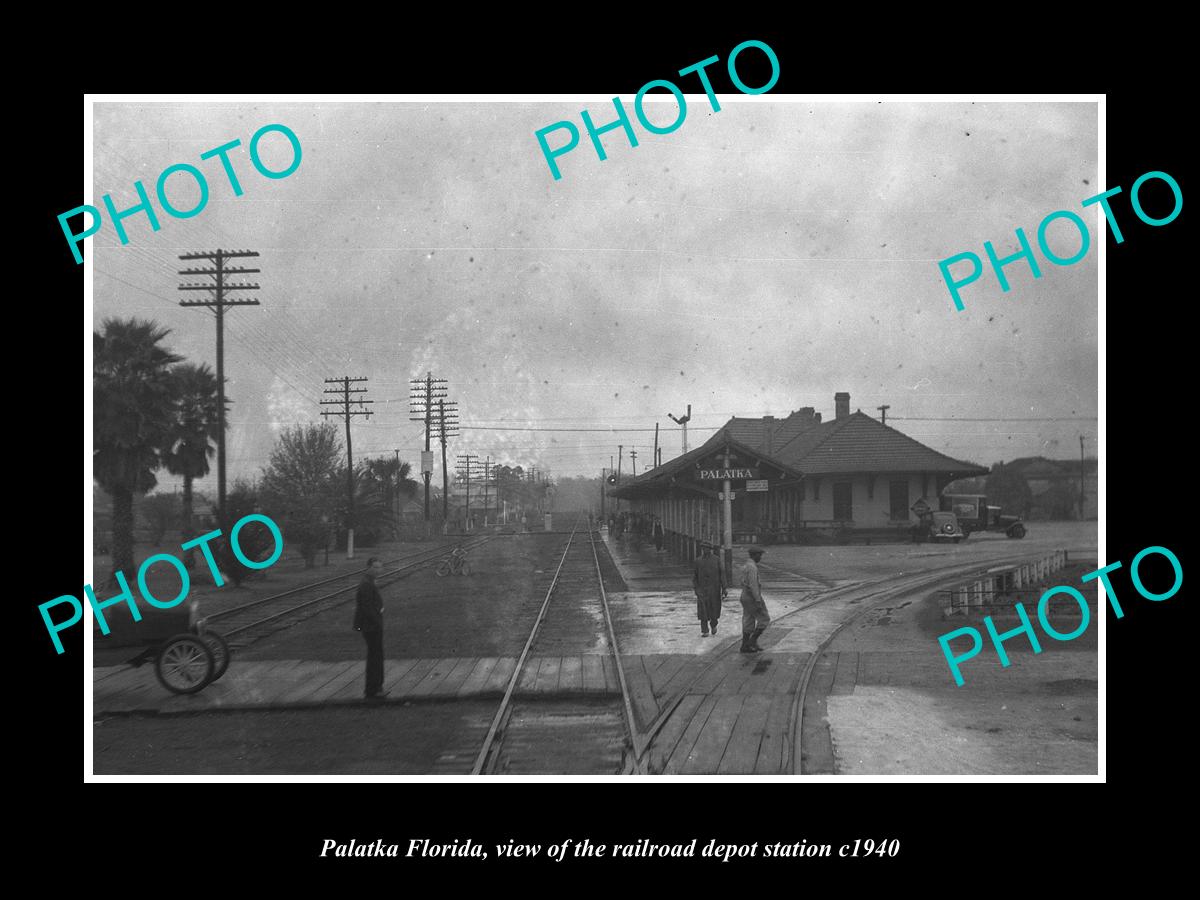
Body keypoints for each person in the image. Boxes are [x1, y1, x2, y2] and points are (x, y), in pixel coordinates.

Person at [353, 557, 386, 699]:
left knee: (376, 655)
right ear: (368, 568)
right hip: (371, 626)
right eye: (375, 567)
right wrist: (378, 620)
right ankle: (373, 689)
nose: (378, 570)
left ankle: (376, 686)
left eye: (380, 567)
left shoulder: (369, 582)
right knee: (375, 656)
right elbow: (367, 608)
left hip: (371, 625)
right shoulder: (366, 584)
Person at [739, 548, 770, 653]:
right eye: (759, 555)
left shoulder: (746, 566)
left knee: (748, 620)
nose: (760, 558)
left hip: (744, 595)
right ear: (755, 555)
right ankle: (752, 641)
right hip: (752, 597)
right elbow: (754, 585)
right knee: (764, 619)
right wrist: (758, 600)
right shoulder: (752, 568)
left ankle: (744, 646)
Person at [693, 543, 726, 637]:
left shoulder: (716, 560)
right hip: (702, 589)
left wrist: (724, 588)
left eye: (707, 548)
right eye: (704, 548)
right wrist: (696, 588)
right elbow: (695, 576)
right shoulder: (698, 561)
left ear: (710, 549)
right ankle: (704, 630)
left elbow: (722, 574)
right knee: (703, 610)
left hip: (714, 589)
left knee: (714, 609)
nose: (705, 550)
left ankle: (714, 624)